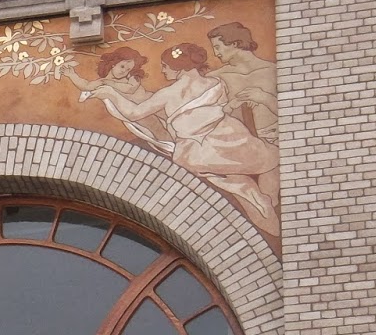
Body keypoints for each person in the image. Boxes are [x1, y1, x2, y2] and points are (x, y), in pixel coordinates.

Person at [76, 42, 279, 232]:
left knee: (223, 175)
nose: (163, 71)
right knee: (267, 160)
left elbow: (134, 113)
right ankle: (263, 201)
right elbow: (224, 108)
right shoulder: (215, 82)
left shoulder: (169, 93)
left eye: (165, 66)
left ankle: (253, 197)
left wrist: (110, 93)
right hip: (231, 136)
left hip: (197, 150)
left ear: (178, 67)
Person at [66, 47, 169, 151]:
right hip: (137, 110)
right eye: (122, 66)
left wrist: (110, 83)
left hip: (152, 102)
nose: (124, 71)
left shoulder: (131, 77)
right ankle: (171, 146)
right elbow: (86, 86)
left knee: (171, 118)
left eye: (128, 69)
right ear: (114, 63)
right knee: (155, 127)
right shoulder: (103, 81)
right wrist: (72, 75)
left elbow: (130, 89)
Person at [207, 23, 279, 143]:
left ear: (234, 44)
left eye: (217, 47)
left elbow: (294, 111)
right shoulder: (215, 78)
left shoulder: (273, 70)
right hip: (236, 143)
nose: (216, 53)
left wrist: (264, 98)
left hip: (277, 138)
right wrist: (231, 106)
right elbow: (207, 120)